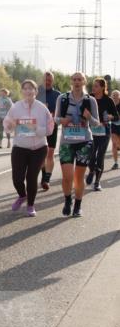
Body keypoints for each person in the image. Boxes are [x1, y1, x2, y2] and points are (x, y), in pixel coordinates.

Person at [2, 80, 54, 216]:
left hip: (39, 148)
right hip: (20, 147)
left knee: (31, 177)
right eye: (25, 89)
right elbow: (6, 124)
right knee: (17, 178)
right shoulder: (16, 107)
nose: (28, 91)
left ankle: (30, 205)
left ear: (36, 91)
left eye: (31, 89)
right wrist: (10, 126)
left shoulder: (42, 108)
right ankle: (22, 195)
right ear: (22, 91)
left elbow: (50, 129)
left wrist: (36, 128)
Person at [54, 72, 100, 217]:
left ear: (84, 82)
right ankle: (68, 200)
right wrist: (62, 121)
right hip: (67, 142)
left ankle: (78, 206)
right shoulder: (62, 98)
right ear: (71, 82)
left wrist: (89, 117)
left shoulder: (90, 100)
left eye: (79, 79)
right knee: (67, 177)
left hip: (84, 142)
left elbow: (97, 123)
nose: (77, 82)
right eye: (74, 79)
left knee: (78, 178)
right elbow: (55, 118)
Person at [86, 77, 119, 190]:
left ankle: (97, 182)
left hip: (104, 132)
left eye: (96, 86)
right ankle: (91, 170)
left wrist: (111, 116)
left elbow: (116, 117)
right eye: (93, 86)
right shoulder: (89, 98)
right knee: (90, 155)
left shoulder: (108, 100)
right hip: (91, 131)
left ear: (102, 87)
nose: (93, 88)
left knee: (100, 156)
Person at [36, 70, 61, 190]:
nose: (48, 82)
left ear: (53, 81)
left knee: (50, 152)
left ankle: (46, 179)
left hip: (52, 127)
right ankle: (43, 173)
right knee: (41, 154)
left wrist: (54, 115)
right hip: (38, 128)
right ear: (42, 80)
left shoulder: (58, 95)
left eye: (50, 80)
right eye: (46, 80)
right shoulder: (35, 93)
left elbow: (62, 111)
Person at [110, 89, 120, 170]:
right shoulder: (109, 104)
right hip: (113, 125)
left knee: (118, 144)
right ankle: (116, 163)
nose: (115, 96)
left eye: (116, 95)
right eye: (113, 95)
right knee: (114, 144)